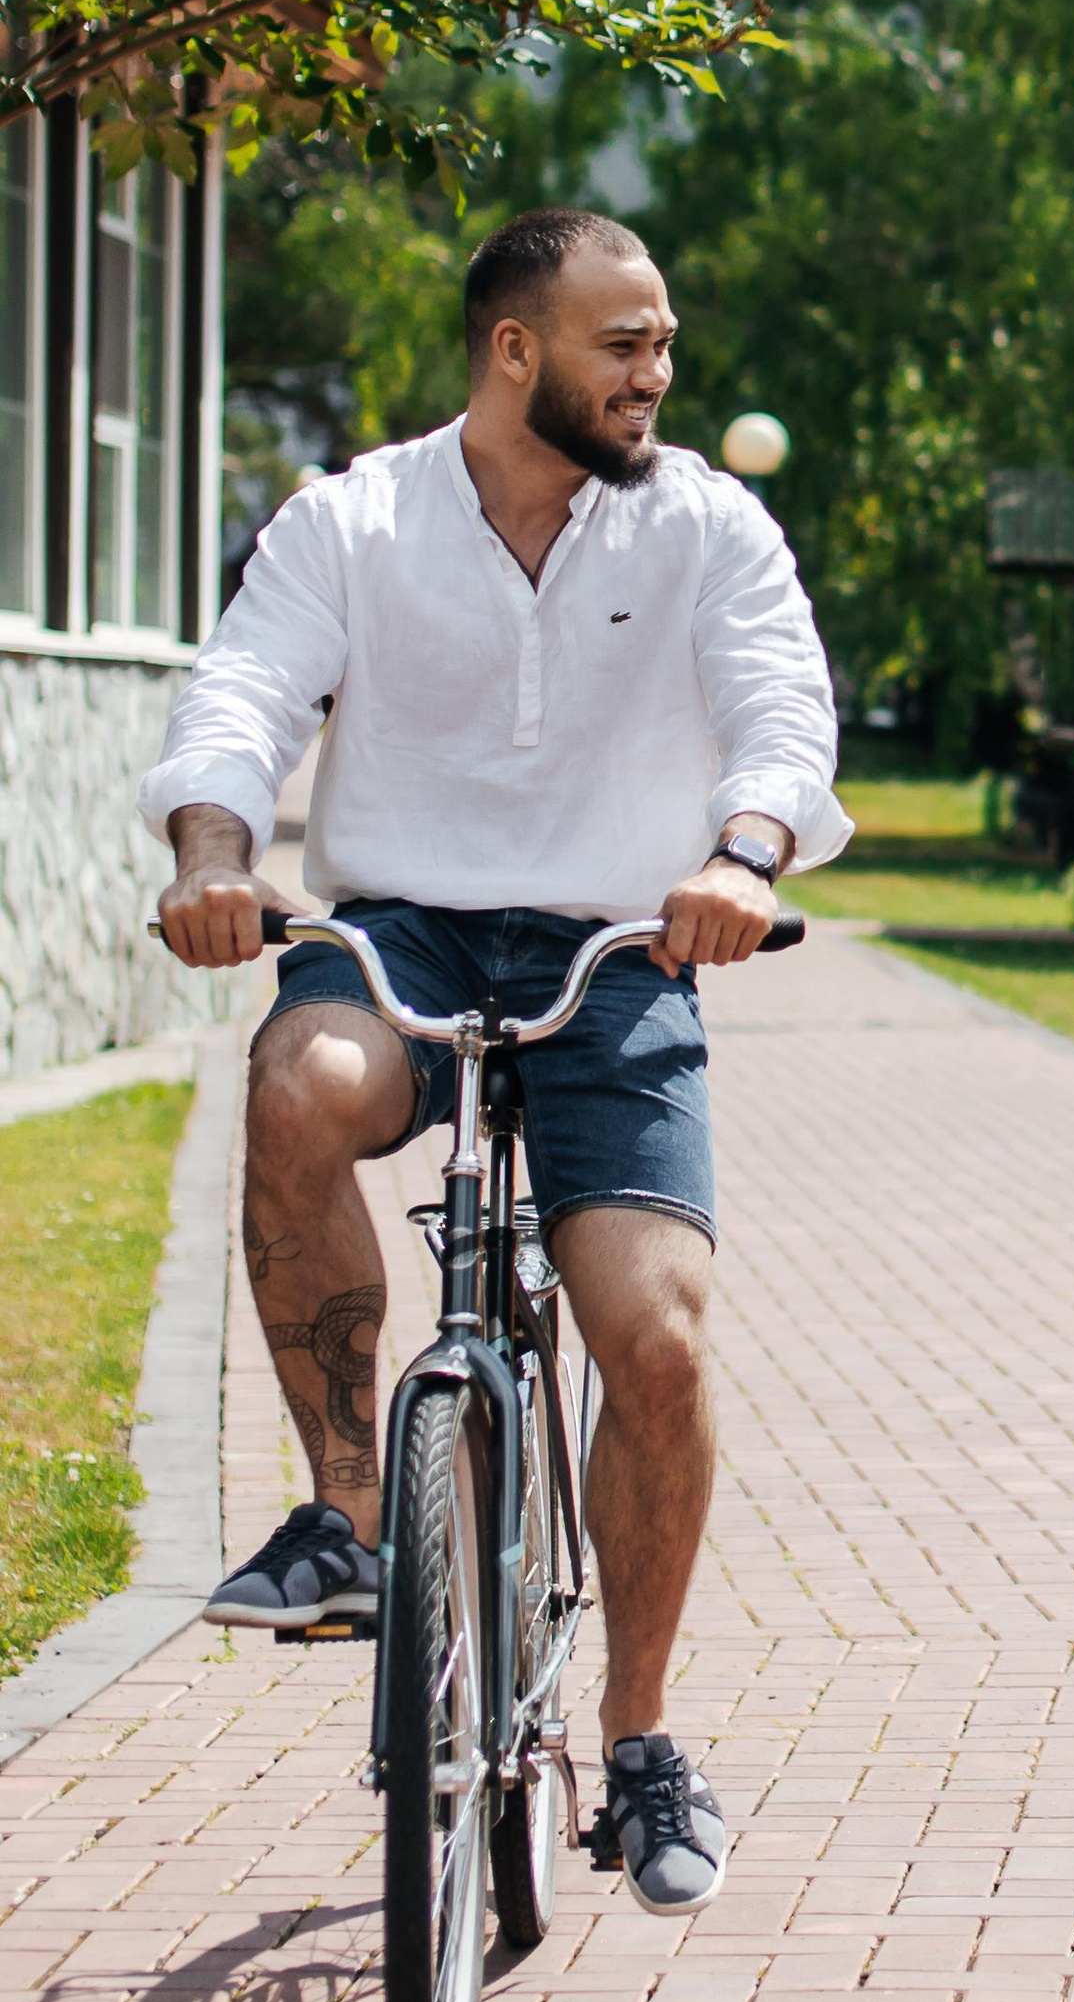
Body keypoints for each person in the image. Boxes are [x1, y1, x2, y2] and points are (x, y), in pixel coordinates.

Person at [145, 207, 849, 1910]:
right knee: (296, 1092)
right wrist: (213, 857)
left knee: (654, 1339)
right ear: (516, 350)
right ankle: (351, 1519)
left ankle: (640, 1738)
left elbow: (782, 707)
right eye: (624, 345)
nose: (655, 374)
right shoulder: (355, 520)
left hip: (625, 949)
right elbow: (240, 697)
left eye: (664, 343)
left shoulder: (704, 523)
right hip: (406, 933)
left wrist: (743, 854)